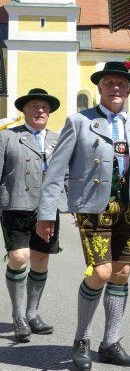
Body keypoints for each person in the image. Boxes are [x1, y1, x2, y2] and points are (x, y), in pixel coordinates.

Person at [36, 61, 130, 370]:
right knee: (102, 271)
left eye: (122, 84)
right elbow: (55, 171)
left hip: (129, 209)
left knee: (121, 273)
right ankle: (82, 339)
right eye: (110, 83)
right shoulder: (80, 121)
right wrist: (46, 214)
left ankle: (110, 343)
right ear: (100, 87)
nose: (116, 88)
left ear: (129, 90)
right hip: (93, 207)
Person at [0, 88, 63, 342]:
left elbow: (66, 173)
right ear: (24, 111)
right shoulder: (8, 137)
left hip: (47, 208)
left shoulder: (58, 139)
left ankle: (33, 313)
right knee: (19, 256)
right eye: (34, 106)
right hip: (15, 205)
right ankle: (18, 315)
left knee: (40, 260)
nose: (40, 111)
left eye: (44, 107)